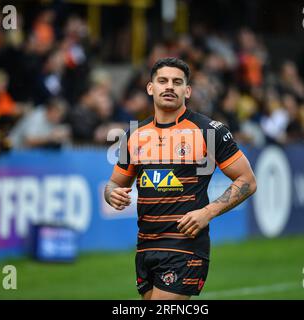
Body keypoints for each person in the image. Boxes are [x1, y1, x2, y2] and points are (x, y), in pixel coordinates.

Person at [104, 57, 257, 300]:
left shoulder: (209, 131)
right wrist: (111, 193)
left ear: (187, 91)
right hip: (146, 247)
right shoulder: (134, 134)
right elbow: (114, 184)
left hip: (185, 247)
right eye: (162, 80)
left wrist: (207, 213)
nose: (169, 87)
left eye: (177, 82)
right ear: (150, 88)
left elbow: (247, 181)